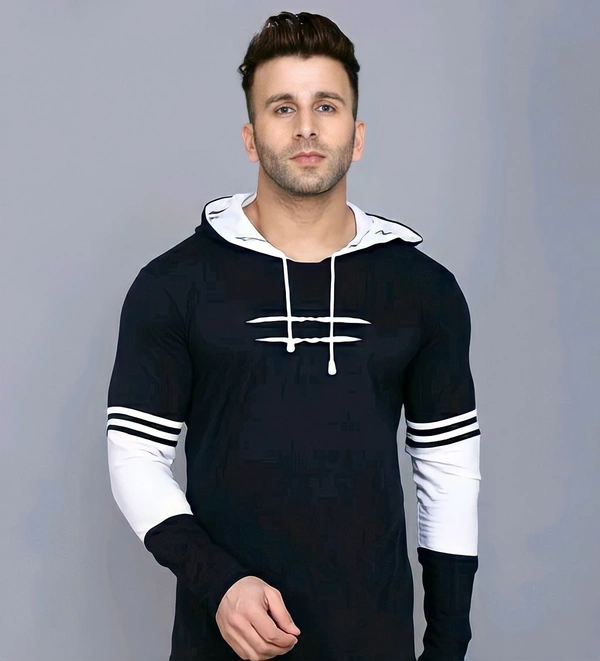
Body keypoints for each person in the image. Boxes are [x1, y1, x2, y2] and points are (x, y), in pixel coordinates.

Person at [106, 11, 481, 661]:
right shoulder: (173, 284)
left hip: (374, 644)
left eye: (326, 106)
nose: (306, 127)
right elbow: (135, 457)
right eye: (283, 108)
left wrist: (448, 648)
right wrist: (218, 583)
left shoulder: (425, 291)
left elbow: (447, 471)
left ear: (357, 136)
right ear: (251, 138)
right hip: (221, 647)